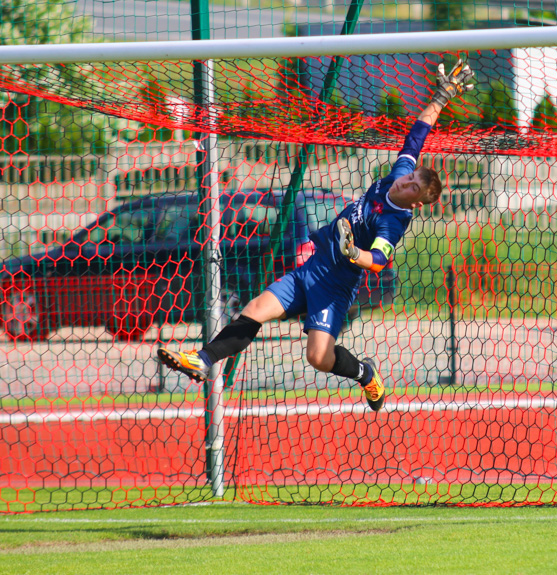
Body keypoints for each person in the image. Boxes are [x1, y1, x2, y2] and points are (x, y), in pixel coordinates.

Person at [157, 59, 475, 411]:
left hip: (335, 286)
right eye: (411, 177)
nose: (407, 181)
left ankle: (364, 372)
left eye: (413, 186)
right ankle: (202, 360)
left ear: (416, 202)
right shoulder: (395, 174)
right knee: (255, 308)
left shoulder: (394, 221)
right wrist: (442, 97)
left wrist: (355, 253)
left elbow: (380, 259)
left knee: (318, 358)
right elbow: (417, 135)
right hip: (311, 268)